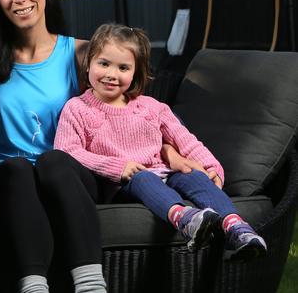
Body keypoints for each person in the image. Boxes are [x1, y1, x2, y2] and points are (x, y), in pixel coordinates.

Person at [54, 23, 267, 261]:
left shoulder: (152, 108)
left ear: (136, 72)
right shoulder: (77, 108)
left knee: (192, 175)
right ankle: (185, 219)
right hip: (122, 184)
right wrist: (117, 167)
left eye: (123, 67)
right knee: (142, 177)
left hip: (164, 172)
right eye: (103, 63)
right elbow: (66, 151)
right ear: (89, 63)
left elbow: (185, 140)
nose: (111, 74)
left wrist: (211, 167)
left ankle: (236, 228)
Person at [0, 0, 107, 293]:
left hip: (68, 178)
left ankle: (92, 288)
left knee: (52, 161)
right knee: (17, 169)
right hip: (12, 185)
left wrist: (173, 154)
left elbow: (131, 113)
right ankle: (34, 290)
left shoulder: (81, 53)